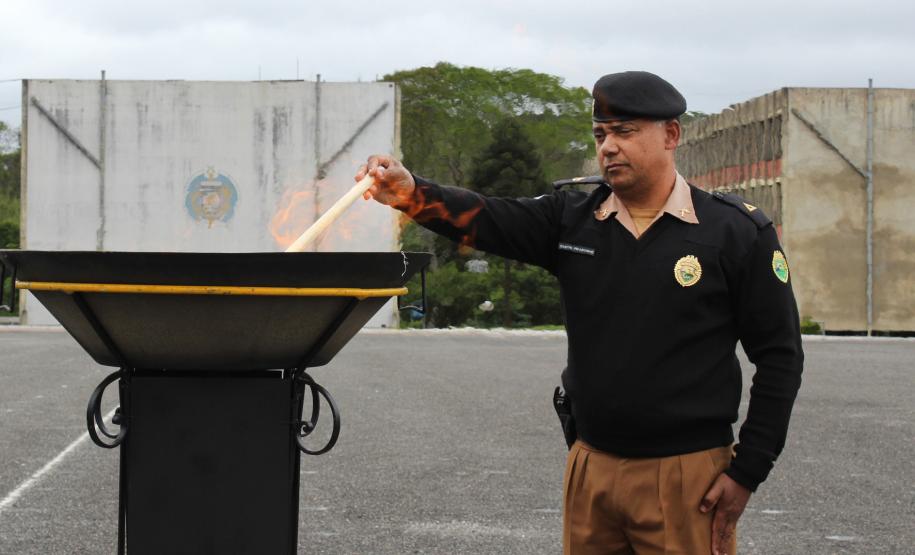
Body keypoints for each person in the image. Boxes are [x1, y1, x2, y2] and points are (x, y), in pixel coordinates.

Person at [355, 70, 803, 555]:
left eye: (625, 132)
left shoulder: (734, 232)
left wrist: (748, 470)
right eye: (600, 134)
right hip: (591, 468)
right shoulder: (572, 218)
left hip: (686, 475)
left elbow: (779, 356)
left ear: (671, 134)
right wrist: (410, 192)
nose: (608, 146)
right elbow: (485, 216)